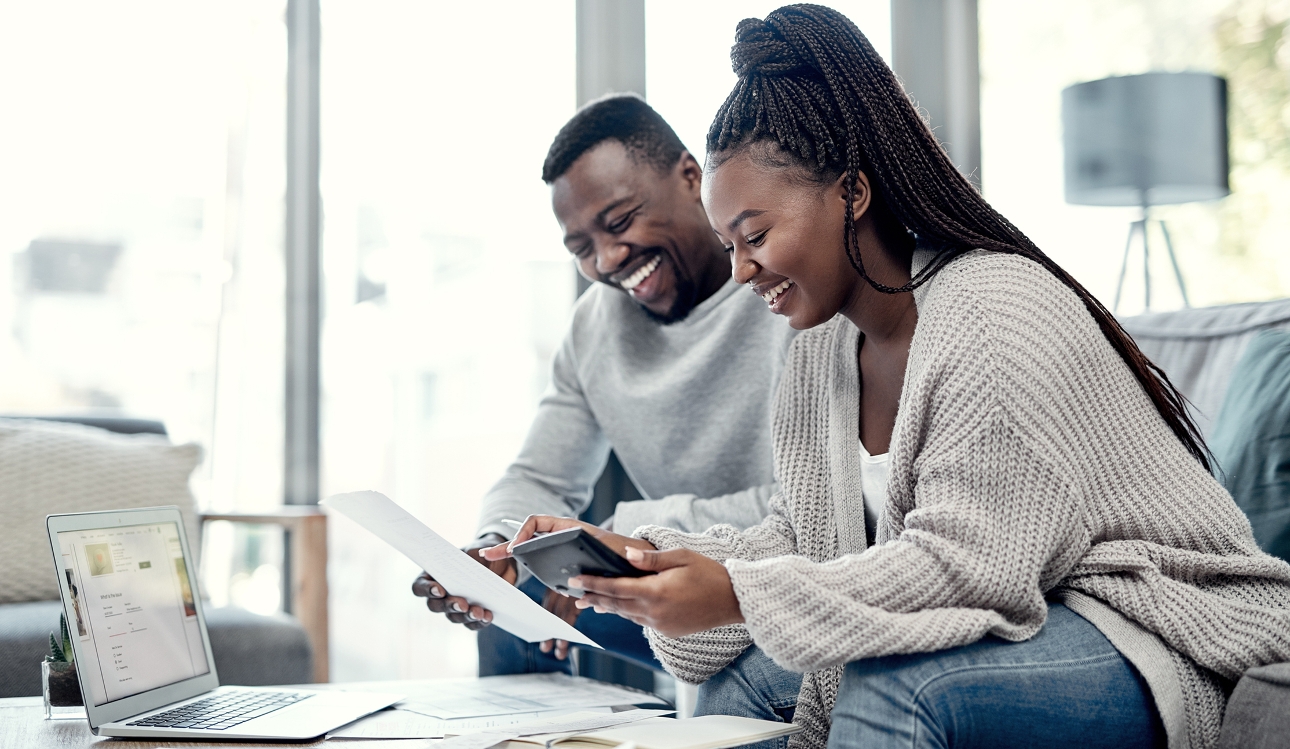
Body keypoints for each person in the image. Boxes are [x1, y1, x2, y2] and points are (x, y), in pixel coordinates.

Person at [485, 6, 1290, 749]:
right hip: (1031, 612)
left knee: (895, 686)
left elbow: (968, 567)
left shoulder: (995, 308)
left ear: (853, 192)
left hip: (1149, 624)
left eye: (756, 233)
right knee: (745, 675)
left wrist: (739, 595)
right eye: (729, 242)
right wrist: (651, 554)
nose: (740, 271)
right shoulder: (819, 351)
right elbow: (801, 538)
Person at [411, 94, 798, 677]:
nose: (609, 258)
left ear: (691, 177)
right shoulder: (594, 326)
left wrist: (621, 539)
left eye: (619, 222)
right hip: (655, 574)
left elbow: (806, 508)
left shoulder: (787, 289)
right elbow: (539, 476)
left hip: (772, 583)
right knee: (512, 612)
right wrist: (495, 553)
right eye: (581, 248)